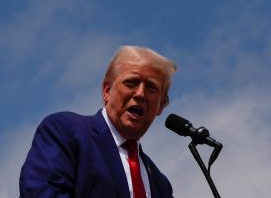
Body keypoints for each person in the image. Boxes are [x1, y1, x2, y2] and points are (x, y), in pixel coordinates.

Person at [19, 46, 177, 198]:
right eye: (131, 83)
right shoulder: (66, 131)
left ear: (160, 106)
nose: (140, 94)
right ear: (107, 91)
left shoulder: (160, 184)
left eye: (151, 88)